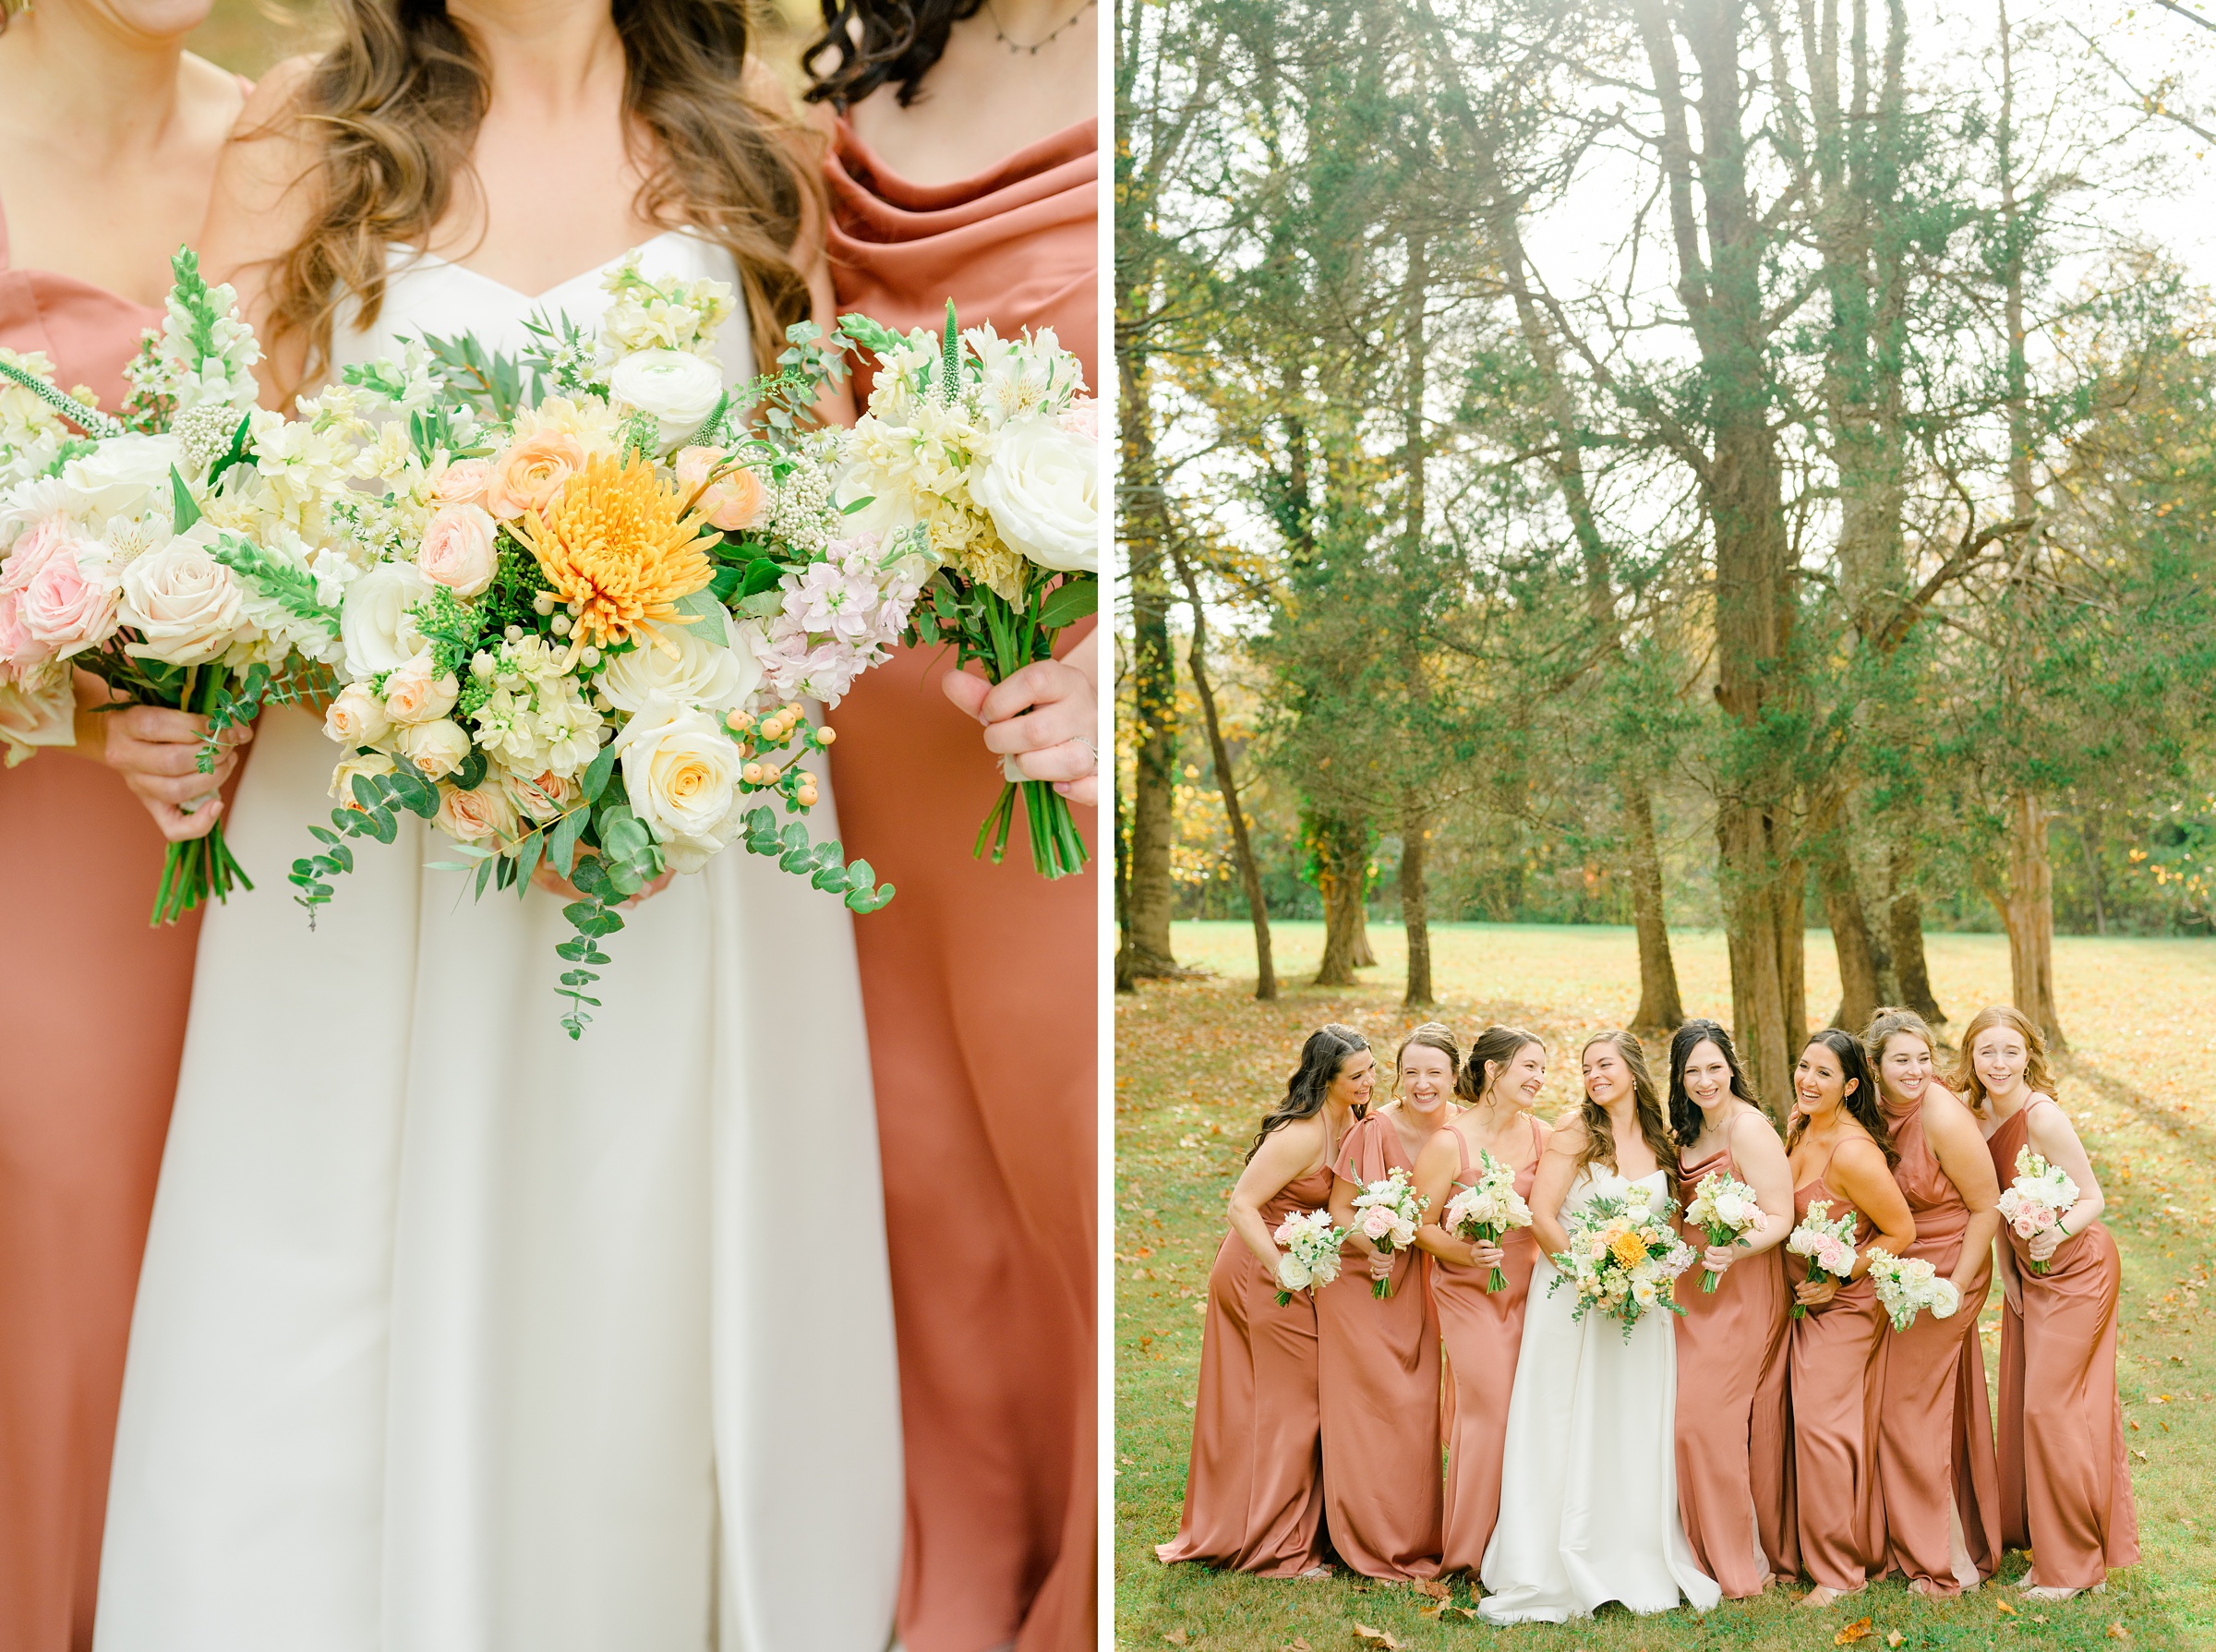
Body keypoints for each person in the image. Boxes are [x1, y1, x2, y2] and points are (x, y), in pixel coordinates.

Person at [93, 6, 901, 1649]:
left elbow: (818, 519)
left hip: (681, 841)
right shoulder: (305, 134)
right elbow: (216, 491)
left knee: (645, 1282)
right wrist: (161, 701)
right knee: (326, 1279)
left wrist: (655, 672)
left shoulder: (758, 142)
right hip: (374, 818)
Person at [803, 4, 1098, 1645]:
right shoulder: (862, 81)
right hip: (862, 766)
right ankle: (961, 1585)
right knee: (926, 1205)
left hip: (1044, 760)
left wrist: (1109, 657)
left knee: (1067, 1196)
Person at [0, 4, 246, 1645]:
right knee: (70, 1270)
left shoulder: (304, 144)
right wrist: (72, 710)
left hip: (279, 831)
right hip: (42, 845)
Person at [1479, 1031, 1719, 1623]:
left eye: (1603, 1064)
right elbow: (1540, 1213)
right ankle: (1554, 1555)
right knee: (1564, 1416)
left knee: (1631, 1419)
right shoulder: (1575, 1130)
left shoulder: (1662, 1142)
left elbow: (1668, 1224)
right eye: (1586, 1067)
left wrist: (1643, 1273)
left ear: (1633, 1073)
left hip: (1643, 1304)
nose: (1592, 1075)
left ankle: (1632, 1547)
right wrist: (1593, 1274)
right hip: (1572, 1296)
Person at [1156, 1026, 1373, 1579]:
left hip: (1297, 1272)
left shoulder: (1354, 1120)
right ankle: (1280, 1548)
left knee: (1292, 1403)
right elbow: (1240, 1206)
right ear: (1327, 1080)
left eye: (1373, 1070)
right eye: (1357, 1076)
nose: (1370, 1082)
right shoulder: (1301, 1134)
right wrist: (1284, 1270)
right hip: (1261, 1272)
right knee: (1292, 1408)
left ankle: (1290, 1528)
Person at [1957, 1004, 2138, 1601]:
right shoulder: (1974, 1117)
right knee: (2030, 1407)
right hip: (2029, 1275)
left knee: (2049, 1408)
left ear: (2028, 1054)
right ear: (1972, 1057)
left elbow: (2093, 1197)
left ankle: (2075, 1564)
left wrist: (2056, 1234)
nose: (2000, 1062)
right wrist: (2008, 1273)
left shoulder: (2043, 1115)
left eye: (2011, 1050)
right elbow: (1990, 1200)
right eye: (1988, 1051)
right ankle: (2050, 1548)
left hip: (2079, 1267)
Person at [1865, 1006, 2004, 1596]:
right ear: (1874, 1067)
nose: (1917, 1070)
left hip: (1953, 1264)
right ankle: (1934, 1535)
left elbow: (1986, 1207)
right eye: (1902, 1060)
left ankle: (1945, 1563)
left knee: (1906, 1408)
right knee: (1913, 1403)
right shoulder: (1870, 1111)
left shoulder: (1941, 1116)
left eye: (1924, 1058)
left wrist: (1955, 1285)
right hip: (1902, 1264)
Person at [1317, 1022, 1460, 1578]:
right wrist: (1370, 1244)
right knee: (1374, 1408)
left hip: (1432, 1285)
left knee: (1418, 1408)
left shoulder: (1464, 1129)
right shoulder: (1373, 1130)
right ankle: (1367, 1538)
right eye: (1411, 1072)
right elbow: (1340, 1207)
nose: (1423, 1084)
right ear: (1398, 1077)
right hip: (1366, 1285)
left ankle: (1418, 1531)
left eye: (1435, 1073)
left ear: (1454, 1077)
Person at [1783, 1028, 1916, 1609]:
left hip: (1845, 1306)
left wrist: (1841, 1274)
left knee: (1821, 1427)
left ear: (1851, 1085)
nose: (1808, 1081)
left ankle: (1839, 1570)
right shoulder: (1801, 1124)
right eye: (1804, 1067)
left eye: (1824, 1074)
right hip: (1800, 1300)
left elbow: (1901, 1230)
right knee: (1807, 1423)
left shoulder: (1853, 1152)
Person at [1413, 1025, 1550, 1577]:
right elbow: (1419, 1228)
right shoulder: (1450, 1142)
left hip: (1530, 1290)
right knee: (1490, 1412)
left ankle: (1517, 1545)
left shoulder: (1544, 1137)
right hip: (1468, 1291)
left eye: (1543, 1068)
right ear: (1494, 1071)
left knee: (1525, 1414)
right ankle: (1467, 1554)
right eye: (1530, 1067)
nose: (1540, 1078)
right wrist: (1468, 1257)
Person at [1666, 1019, 1794, 1598]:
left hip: (1741, 1288)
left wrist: (1733, 1249)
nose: (1704, 1080)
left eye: (1714, 1067)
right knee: (1675, 1417)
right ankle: (1688, 1546)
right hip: (1688, 1290)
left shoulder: (1749, 1129)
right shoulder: (1685, 1132)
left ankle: (1737, 1560)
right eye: (1692, 1071)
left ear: (1731, 1067)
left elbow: (1781, 1217)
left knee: (1704, 1420)